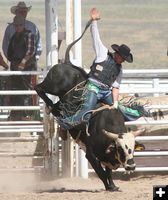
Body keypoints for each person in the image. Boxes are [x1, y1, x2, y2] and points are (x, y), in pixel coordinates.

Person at [59, 8, 133, 130]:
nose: (123, 61)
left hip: (105, 91)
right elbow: (96, 38)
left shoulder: (119, 69)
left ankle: (122, 130)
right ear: (118, 54)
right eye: (123, 58)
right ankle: (65, 124)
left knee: (121, 109)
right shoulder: (103, 53)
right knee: (87, 110)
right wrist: (94, 22)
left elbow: (115, 87)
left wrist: (114, 103)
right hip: (93, 87)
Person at [7, 15, 36, 120]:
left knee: (26, 89)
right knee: (15, 89)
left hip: (26, 67)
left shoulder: (29, 35)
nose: (17, 27)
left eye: (18, 25)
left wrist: (23, 62)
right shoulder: (15, 36)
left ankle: (26, 113)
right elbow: (10, 52)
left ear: (22, 25)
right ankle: (15, 114)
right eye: (16, 25)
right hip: (15, 66)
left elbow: (30, 51)